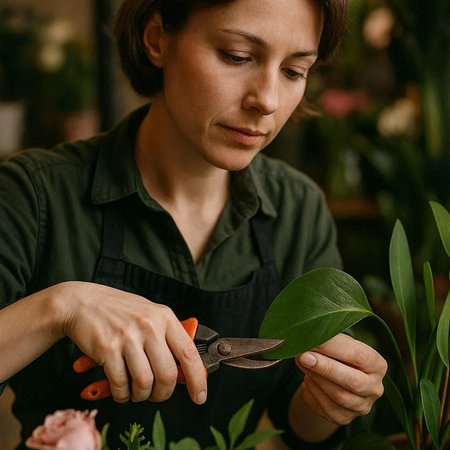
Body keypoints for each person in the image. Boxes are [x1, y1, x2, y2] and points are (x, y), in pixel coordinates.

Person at [0, 0, 387, 448]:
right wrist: (61, 308)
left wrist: (331, 403)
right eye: (237, 57)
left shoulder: (298, 210)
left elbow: (296, 422)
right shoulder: (34, 195)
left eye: (294, 71)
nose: (267, 99)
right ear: (157, 38)